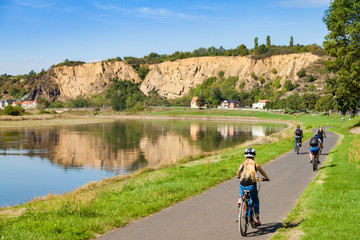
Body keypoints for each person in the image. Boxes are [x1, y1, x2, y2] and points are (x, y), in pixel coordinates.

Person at [237, 148, 269, 226]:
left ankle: (241, 199)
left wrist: (239, 176)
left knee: (242, 190)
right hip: (252, 186)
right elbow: (263, 173)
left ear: (245, 157)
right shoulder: (256, 165)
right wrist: (266, 178)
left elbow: (238, 172)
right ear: (254, 156)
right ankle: (256, 218)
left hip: (243, 184)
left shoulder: (242, 165)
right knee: (255, 200)